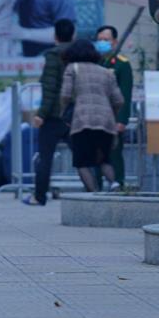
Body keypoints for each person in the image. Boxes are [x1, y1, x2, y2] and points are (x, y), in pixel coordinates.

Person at [59, 38, 124, 193]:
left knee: (82, 162)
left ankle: (94, 194)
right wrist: (111, 115)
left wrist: (62, 112)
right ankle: (115, 184)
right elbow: (119, 100)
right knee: (104, 160)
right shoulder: (106, 72)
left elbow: (65, 95)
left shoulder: (72, 68)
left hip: (82, 121)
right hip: (106, 122)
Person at [25, 18, 76, 206]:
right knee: (83, 156)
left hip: (54, 117)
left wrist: (41, 114)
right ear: (73, 34)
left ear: (55, 36)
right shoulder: (80, 53)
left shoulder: (53, 56)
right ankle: (94, 190)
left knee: (45, 158)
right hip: (75, 115)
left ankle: (39, 196)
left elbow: (50, 87)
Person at [96, 25, 134, 190]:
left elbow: (125, 93)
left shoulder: (122, 64)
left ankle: (119, 183)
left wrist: (122, 120)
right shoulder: (95, 61)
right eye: (100, 40)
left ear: (115, 42)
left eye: (106, 40)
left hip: (113, 115)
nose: (102, 43)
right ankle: (95, 186)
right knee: (94, 151)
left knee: (114, 151)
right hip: (95, 115)